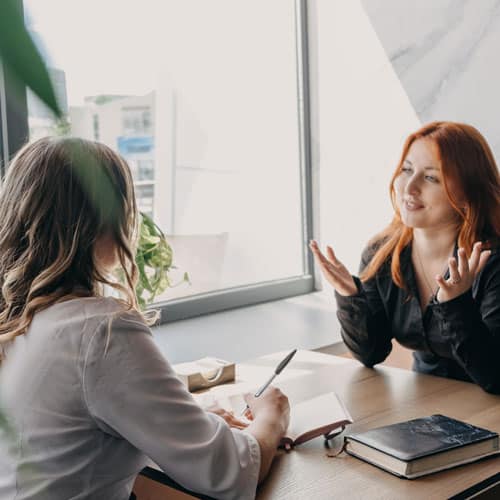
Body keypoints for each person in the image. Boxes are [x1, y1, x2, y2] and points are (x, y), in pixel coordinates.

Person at [0, 137, 290, 500]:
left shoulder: (19, 322)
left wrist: (191, 420)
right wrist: (272, 416)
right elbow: (229, 471)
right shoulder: (99, 331)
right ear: (101, 222)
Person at [310, 121, 500, 393]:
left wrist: (457, 305)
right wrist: (350, 296)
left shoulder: (492, 262)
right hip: (426, 402)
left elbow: (495, 377)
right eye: (407, 170)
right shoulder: (383, 252)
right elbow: (371, 353)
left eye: (431, 177)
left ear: (468, 191)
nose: (409, 187)